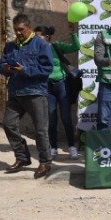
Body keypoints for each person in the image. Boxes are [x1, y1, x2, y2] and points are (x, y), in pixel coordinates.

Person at [0, 13, 54, 178]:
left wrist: (25, 70)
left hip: (35, 92)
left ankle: (45, 162)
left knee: (41, 130)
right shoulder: (10, 46)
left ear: (29, 27)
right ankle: (22, 157)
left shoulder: (41, 44)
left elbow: (46, 69)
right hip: (16, 92)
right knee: (8, 124)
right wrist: (6, 68)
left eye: (21, 30)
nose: (18, 33)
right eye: (16, 30)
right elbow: (1, 64)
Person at [33, 24, 80, 160]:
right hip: (47, 87)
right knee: (51, 118)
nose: (36, 39)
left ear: (47, 36)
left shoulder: (56, 46)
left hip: (62, 84)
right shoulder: (35, 49)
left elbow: (76, 47)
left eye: (38, 36)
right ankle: (53, 147)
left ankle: (72, 147)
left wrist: (73, 33)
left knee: (66, 117)